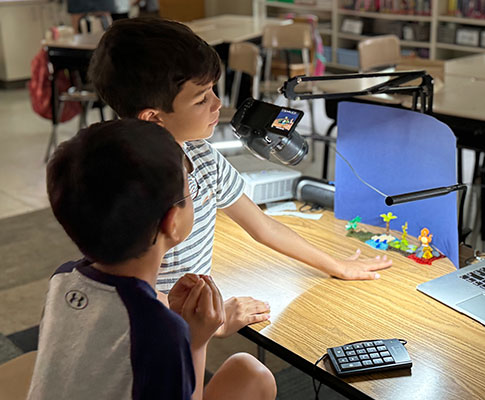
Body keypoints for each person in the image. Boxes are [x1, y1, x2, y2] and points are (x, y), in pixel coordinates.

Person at [88, 18, 392, 338]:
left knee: (253, 374)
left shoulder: (201, 155)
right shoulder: (130, 189)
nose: (219, 103)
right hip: (150, 332)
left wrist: (335, 265)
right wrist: (210, 325)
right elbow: (130, 291)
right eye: (202, 98)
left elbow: (263, 225)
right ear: (154, 117)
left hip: (187, 315)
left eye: (213, 90)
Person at [27, 119, 276, 400]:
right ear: (171, 221)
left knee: (250, 371)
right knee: (255, 376)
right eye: (189, 189)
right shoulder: (161, 331)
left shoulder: (61, 279)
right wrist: (195, 340)